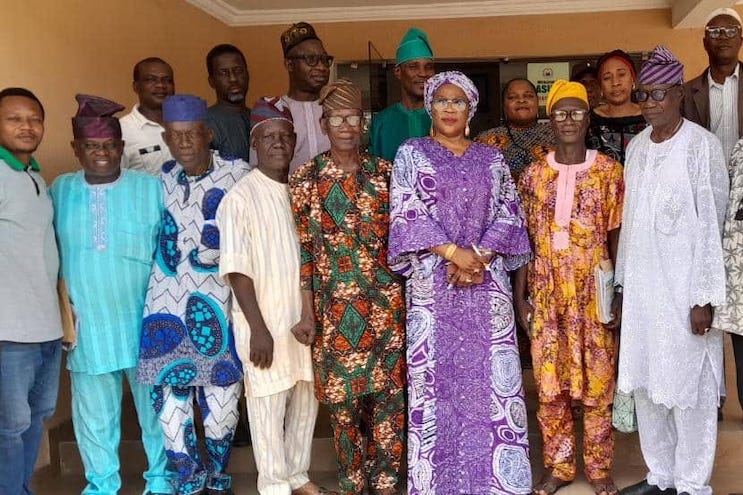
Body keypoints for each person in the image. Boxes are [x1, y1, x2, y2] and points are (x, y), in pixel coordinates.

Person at [388, 71, 532, 494]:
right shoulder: (411, 154)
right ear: (430, 107)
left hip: (487, 285)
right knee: (437, 386)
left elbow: (510, 213)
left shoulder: (492, 158)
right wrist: (453, 253)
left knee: (491, 385)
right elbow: (405, 211)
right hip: (434, 285)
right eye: (442, 101)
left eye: (459, 102)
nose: (450, 109)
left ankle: (497, 482)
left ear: (470, 109)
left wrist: (478, 256)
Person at [616, 46, 728, 495]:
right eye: (643, 95)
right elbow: (629, 223)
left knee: (690, 392)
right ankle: (660, 476)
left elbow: (713, 225)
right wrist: (622, 285)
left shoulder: (702, 145)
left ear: (679, 93)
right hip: (643, 289)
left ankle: (691, 483)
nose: (647, 103)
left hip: (685, 290)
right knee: (647, 385)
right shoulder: (637, 148)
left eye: (658, 94)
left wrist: (703, 296)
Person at [51, 94, 171, 495]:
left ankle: (160, 480)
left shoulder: (151, 189)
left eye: (109, 145)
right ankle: (101, 485)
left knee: (156, 410)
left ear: (122, 147)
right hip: (87, 324)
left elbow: (167, 255)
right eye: (91, 146)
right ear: (76, 149)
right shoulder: (59, 190)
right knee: (94, 415)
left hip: (145, 320)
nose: (101, 153)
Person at [290, 79, 405, 495]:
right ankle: (352, 480)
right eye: (336, 118)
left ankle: (388, 479)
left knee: (388, 403)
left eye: (352, 117)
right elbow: (304, 252)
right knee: (342, 408)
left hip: (386, 308)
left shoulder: (387, 175)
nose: (345, 125)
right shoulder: (306, 178)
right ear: (323, 124)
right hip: (333, 312)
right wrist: (307, 311)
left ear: (363, 123)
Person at [218, 97, 333, 495]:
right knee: (267, 404)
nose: (278, 144)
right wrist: (259, 329)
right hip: (263, 320)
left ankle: (298, 476)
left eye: (284, 136)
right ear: (255, 144)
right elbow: (236, 270)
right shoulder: (240, 197)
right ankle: (273, 484)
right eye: (268, 137)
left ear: (295, 139)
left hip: (303, 319)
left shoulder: (301, 190)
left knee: (305, 398)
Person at [136, 94, 249, 495]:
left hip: (219, 312)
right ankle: (186, 481)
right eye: (177, 136)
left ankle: (216, 477)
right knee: (171, 414)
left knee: (220, 411)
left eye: (192, 135)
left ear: (208, 134)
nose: (185, 143)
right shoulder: (156, 182)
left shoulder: (238, 177)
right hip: (162, 312)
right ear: (166, 137)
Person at [514, 81, 624, 495]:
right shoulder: (534, 174)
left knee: (598, 386)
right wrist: (520, 295)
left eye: (577, 112)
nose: (569, 121)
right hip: (546, 293)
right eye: (560, 113)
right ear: (550, 119)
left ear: (588, 117)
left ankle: (598, 469)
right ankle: (558, 467)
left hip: (593, 292)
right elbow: (521, 242)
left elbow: (617, 237)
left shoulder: (609, 171)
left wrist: (618, 291)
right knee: (550, 385)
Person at [0, 87, 62, 495]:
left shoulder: (35, 177)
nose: (27, 126)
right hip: (8, 332)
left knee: (35, 417)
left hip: (48, 328)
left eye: (34, 119)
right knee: (9, 428)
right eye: (14, 119)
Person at [683, 7, 743, 163]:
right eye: (714, 31)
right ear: (705, 43)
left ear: (741, 41)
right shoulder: (686, 94)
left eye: (731, 31)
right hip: (706, 183)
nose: (723, 36)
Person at [368, 27, 435, 161]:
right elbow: (373, 172)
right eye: (413, 66)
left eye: (428, 67)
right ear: (398, 72)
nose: (423, 73)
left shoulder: (447, 119)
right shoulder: (381, 123)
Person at [476, 77, 555, 179]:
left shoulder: (556, 135)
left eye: (528, 96)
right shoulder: (486, 139)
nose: (521, 100)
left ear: (537, 102)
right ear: (504, 106)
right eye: (513, 97)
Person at [281, 21, 332, 173]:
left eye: (324, 59)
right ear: (289, 65)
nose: (322, 67)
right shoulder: (276, 111)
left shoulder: (336, 109)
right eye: (311, 59)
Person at [586, 49, 647, 165]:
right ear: (601, 86)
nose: (615, 83)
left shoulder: (650, 118)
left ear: (633, 79)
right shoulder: (589, 121)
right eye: (607, 77)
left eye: (621, 74)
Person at [120, 57, 176, 175]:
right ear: (136, 87)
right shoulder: (122, 131)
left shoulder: (186, 123)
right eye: (151, 79)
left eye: (168, 80)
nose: (161, 85)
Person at [205, 44, 251, 162]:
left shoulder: (260, 117)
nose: (233, 79)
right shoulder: (205, 123)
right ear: (212, 81)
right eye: (224, 73)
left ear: (247, 74)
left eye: (238, 71)